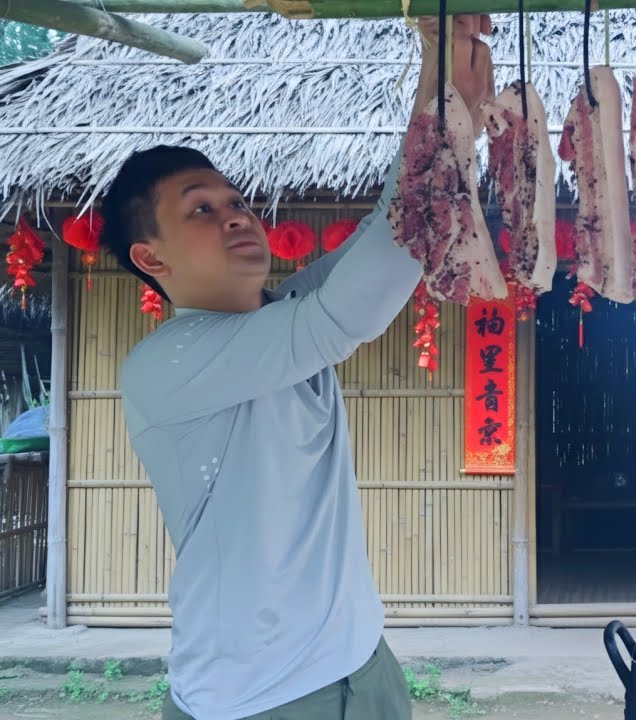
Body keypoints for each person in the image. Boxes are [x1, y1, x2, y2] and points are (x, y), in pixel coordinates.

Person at [99, 15, 495, 720]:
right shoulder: (165, 365)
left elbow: (392, 232)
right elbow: (351, 310)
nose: (235, 217)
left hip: (363, 667)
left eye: (236, 201)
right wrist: (447, 124)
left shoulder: (283, 310)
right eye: (200, 209)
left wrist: (443, 82)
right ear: (151, 259)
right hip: (254, 701)